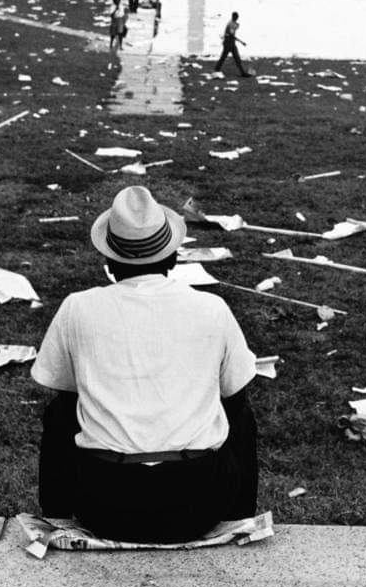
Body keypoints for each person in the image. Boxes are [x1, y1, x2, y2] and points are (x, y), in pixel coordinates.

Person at [32, 186, 259, 542]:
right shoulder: (212, 308)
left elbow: (61, 390)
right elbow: (236, 393)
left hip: (103, 505)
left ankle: (57, 516)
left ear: (110, 262)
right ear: (172, 258)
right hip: (199, 504)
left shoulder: (78, 307)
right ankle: (238, 518)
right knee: (240, 415)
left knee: (60, 413)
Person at [215, 12, 251, 77]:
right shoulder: (231, 24)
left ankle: (242, 72)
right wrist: (241, 42)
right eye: (236, 17)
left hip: (231, 43)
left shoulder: (232, 23)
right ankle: (217, 69)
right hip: (228, 43)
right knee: (225, 57)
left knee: (235, 58)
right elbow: (231, 35)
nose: (237, 18)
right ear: (234, 17)